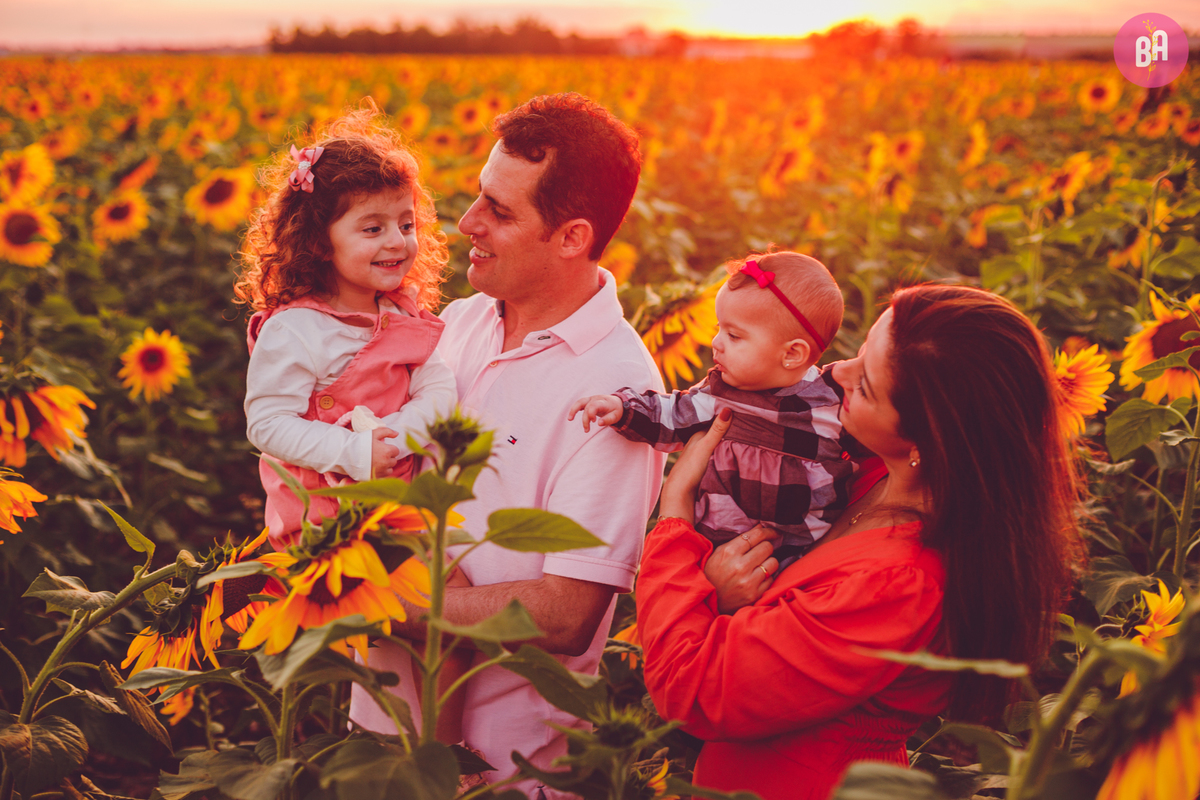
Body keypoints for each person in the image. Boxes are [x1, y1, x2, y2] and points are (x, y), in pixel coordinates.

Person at [636, 284, 1084, 800]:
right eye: (860, 352)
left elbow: (693, 690)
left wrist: (676, 519)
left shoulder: (898, 584)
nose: (836, 373)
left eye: (866, 386)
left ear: (927, 438)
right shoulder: (867, 474)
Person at [348, 93, 666, 797]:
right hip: (384, 745)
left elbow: (565, 613)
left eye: (500, 210)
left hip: (508, 774)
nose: (468, 223)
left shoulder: (616, 392)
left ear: (572, 237)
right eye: (478, 197)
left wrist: (397, 601)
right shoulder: (458, 323)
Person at [235, 109, 467, 742]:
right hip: (320, 516)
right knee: (367, 646)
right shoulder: (296, 329)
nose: (397, 241)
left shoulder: (401, 312)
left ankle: (431, 747)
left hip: (392, 500)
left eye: (407, 223)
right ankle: (396, 749)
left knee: (436, 625)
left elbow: (437, 384)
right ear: (319, 239)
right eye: (372, 227)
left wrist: (406, 435)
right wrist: (355, 450)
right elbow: (269, 424)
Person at [569, 251, 851, 567]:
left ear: (793, 354)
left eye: (734, 335)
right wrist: (623, 408)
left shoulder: (833, 403)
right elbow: (671, 413)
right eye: (719, 328)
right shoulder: (719, 395)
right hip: (717, 555)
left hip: (801, 559)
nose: (715, 343)